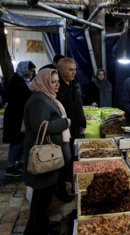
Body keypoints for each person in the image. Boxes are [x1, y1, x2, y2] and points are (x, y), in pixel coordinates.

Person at [23, 68, 71, 235]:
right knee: (40, 199)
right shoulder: (39, 100)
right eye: (53, 81)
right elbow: (40, 126)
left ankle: (40, 225)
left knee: (44, 197)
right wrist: (64, 123)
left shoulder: (46, 97)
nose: (57, 84)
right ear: (43, 82)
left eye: (57, 80)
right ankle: (36, 230)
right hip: (43, 156)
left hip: (48, 155)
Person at [56, 57, 86, 201]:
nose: (74, 72)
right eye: (70, 69)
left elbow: (79, 106)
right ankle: (60, 190)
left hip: (75, 130)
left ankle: (73, 184)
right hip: (62, 131)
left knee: (73, 159)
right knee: (63, 161)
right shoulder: (56, 87)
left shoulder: (75, 85)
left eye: (75, 69)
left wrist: (83, 123)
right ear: (60, 70)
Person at [3, 61, 36, 177]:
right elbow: (14, 99)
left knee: (23, 141)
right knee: (16, 142)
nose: (32, 73)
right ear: (25, 69)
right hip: (15, 117)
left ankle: (21, 163)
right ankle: (10, 167)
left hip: (22, 116)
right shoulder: (16, 81)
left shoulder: (26, 81)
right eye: (31, 70)